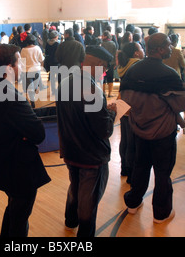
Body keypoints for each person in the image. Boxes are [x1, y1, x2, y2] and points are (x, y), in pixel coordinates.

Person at [0, 44, 51, 237]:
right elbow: (38, 133)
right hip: (18, 169)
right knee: (19, 219)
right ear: (9, 67)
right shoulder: (9, 94)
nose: (21, 65)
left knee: (14, 211)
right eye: (18, 61)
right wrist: (26, 131)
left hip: (2, 163)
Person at [120, 33, 185, 223]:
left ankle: (133, 203)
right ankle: (161, 213)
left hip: (139, 129)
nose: (170, 47)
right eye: (168, 45)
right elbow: (181, 104)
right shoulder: (169, 74)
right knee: (162, 173)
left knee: (140, 167)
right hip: (163, 132)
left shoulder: (133, 71)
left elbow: (124, 98)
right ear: (159, 49)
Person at [56, 45, 116, 237]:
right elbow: (104, 130)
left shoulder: (65, 82)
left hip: (70, 149)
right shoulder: (92, 90)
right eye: (104, 68)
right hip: (91, 155)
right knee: (89, 199)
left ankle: (70, 220)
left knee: (75, 187)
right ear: (98, 64)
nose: (105, 72)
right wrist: (112, 113)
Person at [117, 42, 144, 181]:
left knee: (125, 140)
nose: (143, 50)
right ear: (136, 53)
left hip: (122, 103)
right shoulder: (137, 66)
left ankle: (124, 169)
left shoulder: (123, 65)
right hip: (132, 105)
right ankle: (132, 173)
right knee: (133, 142)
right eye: (140, 48)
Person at [20, 33, 44, 108]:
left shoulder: (23, 50)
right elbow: (41, 59)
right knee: (34, 86)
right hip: (36, 70)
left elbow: (21, 62)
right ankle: (35, 89)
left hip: (27, 71)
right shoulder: (37, 48)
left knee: (30, 87)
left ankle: (32, 101)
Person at [100, 31, 118, 97]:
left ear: (105, 36)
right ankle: (110, 93)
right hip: (111, 63)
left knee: (104, 78)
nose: (102, 37)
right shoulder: (113, 43)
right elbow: (115, 54)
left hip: (103, 64)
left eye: (103, 35)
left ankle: (103, 93)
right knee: (110, 78)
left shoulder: (102, 44)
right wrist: (115, 63)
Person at [44, 30, 60, 96]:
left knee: (52, 78)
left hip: (50, 62)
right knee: (59, 77)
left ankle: (53, 90)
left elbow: (46, 53)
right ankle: (59, 90)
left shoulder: (47, 44)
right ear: (56, 37)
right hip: (57, 62)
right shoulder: (57, 44)